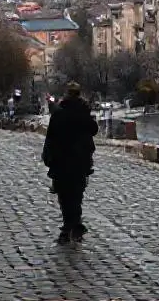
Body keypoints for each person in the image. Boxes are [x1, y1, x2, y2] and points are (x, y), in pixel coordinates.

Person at [42, 82, 98, 244]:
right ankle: (75, 225)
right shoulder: (83, 112)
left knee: (64, 195)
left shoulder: (60, 113)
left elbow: (50, 138)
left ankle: (69, 226)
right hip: (80, 161)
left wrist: (48, 158)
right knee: (76, 195)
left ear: (67, 94)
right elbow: (94, 130)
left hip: (62, 160)